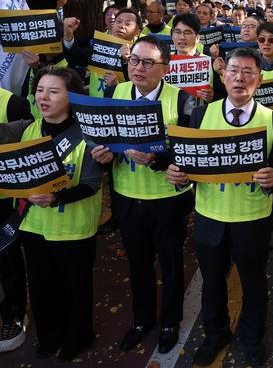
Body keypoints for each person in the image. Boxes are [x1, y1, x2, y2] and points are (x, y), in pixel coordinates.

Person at [166, 48, 273, 366]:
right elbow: (185, 161)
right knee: (212, 283)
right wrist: (177, 176)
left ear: (259, 80)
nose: (240, 77)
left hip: (252, 219)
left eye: (248, 72)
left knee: (253, 282)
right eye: (234, 70)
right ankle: (215, 334)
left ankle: (251, 336)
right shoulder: (200, 115)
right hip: (210, 218)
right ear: (223, 75)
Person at [90, 35, 195, 354]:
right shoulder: (115, 93)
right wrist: (102, 154)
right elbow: (102, 137)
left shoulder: (182, 101)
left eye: (148, 62)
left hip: (167, 200)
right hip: (127, 198)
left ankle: (170, 322)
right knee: (138, 263)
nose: (138, 68)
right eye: (134, 60)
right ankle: (142, 320)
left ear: (165, 68)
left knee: (171, 262)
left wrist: (156, 158)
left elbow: (190, 151)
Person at [0, 67, 102, 361]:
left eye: (53, 91)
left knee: (75, 287)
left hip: (73, 228)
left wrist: (56, 197)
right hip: (33, 226)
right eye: (40, 90)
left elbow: (91, 184)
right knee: (42, 286)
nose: (43, 97)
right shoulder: (26, 129)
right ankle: (49, 334)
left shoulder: (88, 134)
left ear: (72, 97)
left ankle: (79, 335)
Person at [0, 88, 33, 353]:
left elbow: (30, 147)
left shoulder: (12, 103)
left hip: (5, 200)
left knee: (7, 262)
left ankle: (14, 314)